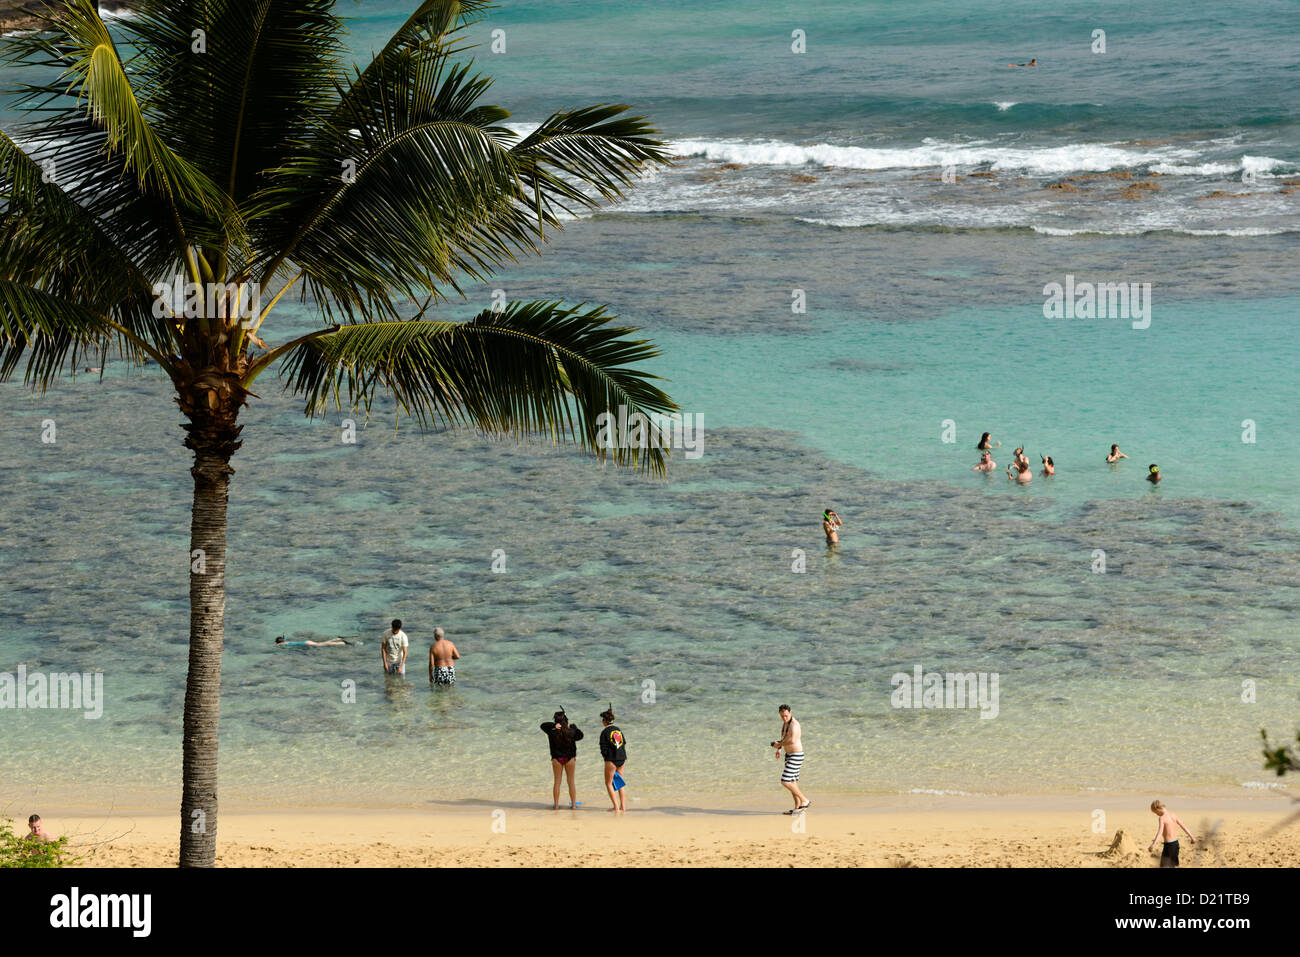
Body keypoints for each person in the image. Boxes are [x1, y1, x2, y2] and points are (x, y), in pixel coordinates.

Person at [540, 709, 585, 809]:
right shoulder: (571, 731)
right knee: (571, 782)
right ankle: (573, 805)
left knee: (557, 782)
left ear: (556, 721)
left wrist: (553, 726)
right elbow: (581, 735)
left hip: (557, 759)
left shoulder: (552, 731)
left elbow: (542, 725)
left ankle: (556, 806)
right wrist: (573, 726)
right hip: (570, 759)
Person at [771, 704, 809, 813]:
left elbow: (792, 740)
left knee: (785, 781)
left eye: (786, 716)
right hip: (789, 755)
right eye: (782, 716)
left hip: (796, 755)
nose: (784, 718)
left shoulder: (794, 725)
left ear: (790, 713)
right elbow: (784, 738)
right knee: (792, 782)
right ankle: (797, 808)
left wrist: (779, 744)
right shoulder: (785, 724)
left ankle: (804, 800)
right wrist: (779, 748)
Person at [599, 705, 628, 812]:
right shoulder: (618, 730)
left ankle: (616, 807)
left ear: (604, 721)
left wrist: (606, 759)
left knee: (608, 783)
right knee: (620, 782)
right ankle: (623, 806)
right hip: (622, 758)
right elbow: (623, 743)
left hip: (611, 759)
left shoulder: (604, 732)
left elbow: (603, 748)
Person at [1148, 799, 1195, 867]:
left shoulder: (1162, 818)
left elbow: (1160, 832)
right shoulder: (1173, 815)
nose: (1156, 815)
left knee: (1164, 866)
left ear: (1157, 808)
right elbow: (1183, 826)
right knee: (1172, 865)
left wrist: (1153, 844)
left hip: (1169, 846)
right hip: (1176, 844)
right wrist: (1192, 837)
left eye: (1156, 813)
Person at [275, 635, 350, 647]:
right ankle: (337, 639)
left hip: (306, 643)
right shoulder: (286, 642)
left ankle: (342, 643)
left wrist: (276, 644)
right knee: (321, 643)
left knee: (321, 645)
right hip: (305, 641)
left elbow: (278, 645)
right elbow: (282, 642)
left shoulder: (283, 644)